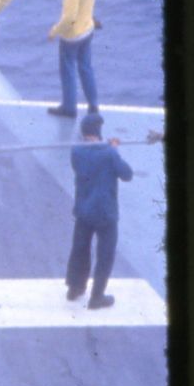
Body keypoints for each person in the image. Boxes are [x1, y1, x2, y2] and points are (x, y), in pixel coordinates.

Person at [66, 113, 133, 309]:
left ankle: (75, 288)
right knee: (105, 254)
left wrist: (107, 148)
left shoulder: (76, 151)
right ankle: (97, 296)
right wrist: (113, 149)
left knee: (80, 249)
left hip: (83, 209)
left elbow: (87, 161)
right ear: (98, 131)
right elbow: (127, 174)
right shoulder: (109, 153)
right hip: (105, 212)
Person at [47, 0, 102, 118]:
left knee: (68, 70)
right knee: (86, 67)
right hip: (88, 30)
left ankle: (69, 108)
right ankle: (93, 106)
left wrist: (54, 32)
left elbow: (69, 18)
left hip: (72, 36)